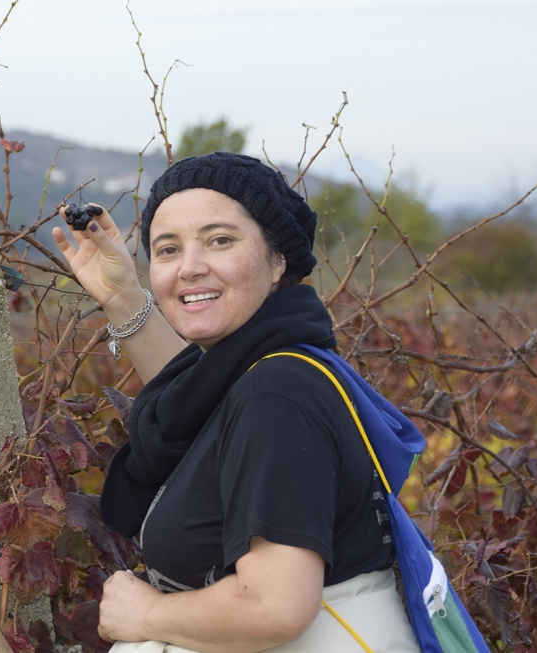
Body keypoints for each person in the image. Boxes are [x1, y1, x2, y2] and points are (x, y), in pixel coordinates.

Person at [53, 152, 419, 653]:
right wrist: (123, 299)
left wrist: (147, 614)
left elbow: (272, 607)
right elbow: (201, 406)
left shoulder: (277, 393)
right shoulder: (268, 368)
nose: (190, 267)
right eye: (167, 249)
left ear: (278, 258)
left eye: (220, 240)